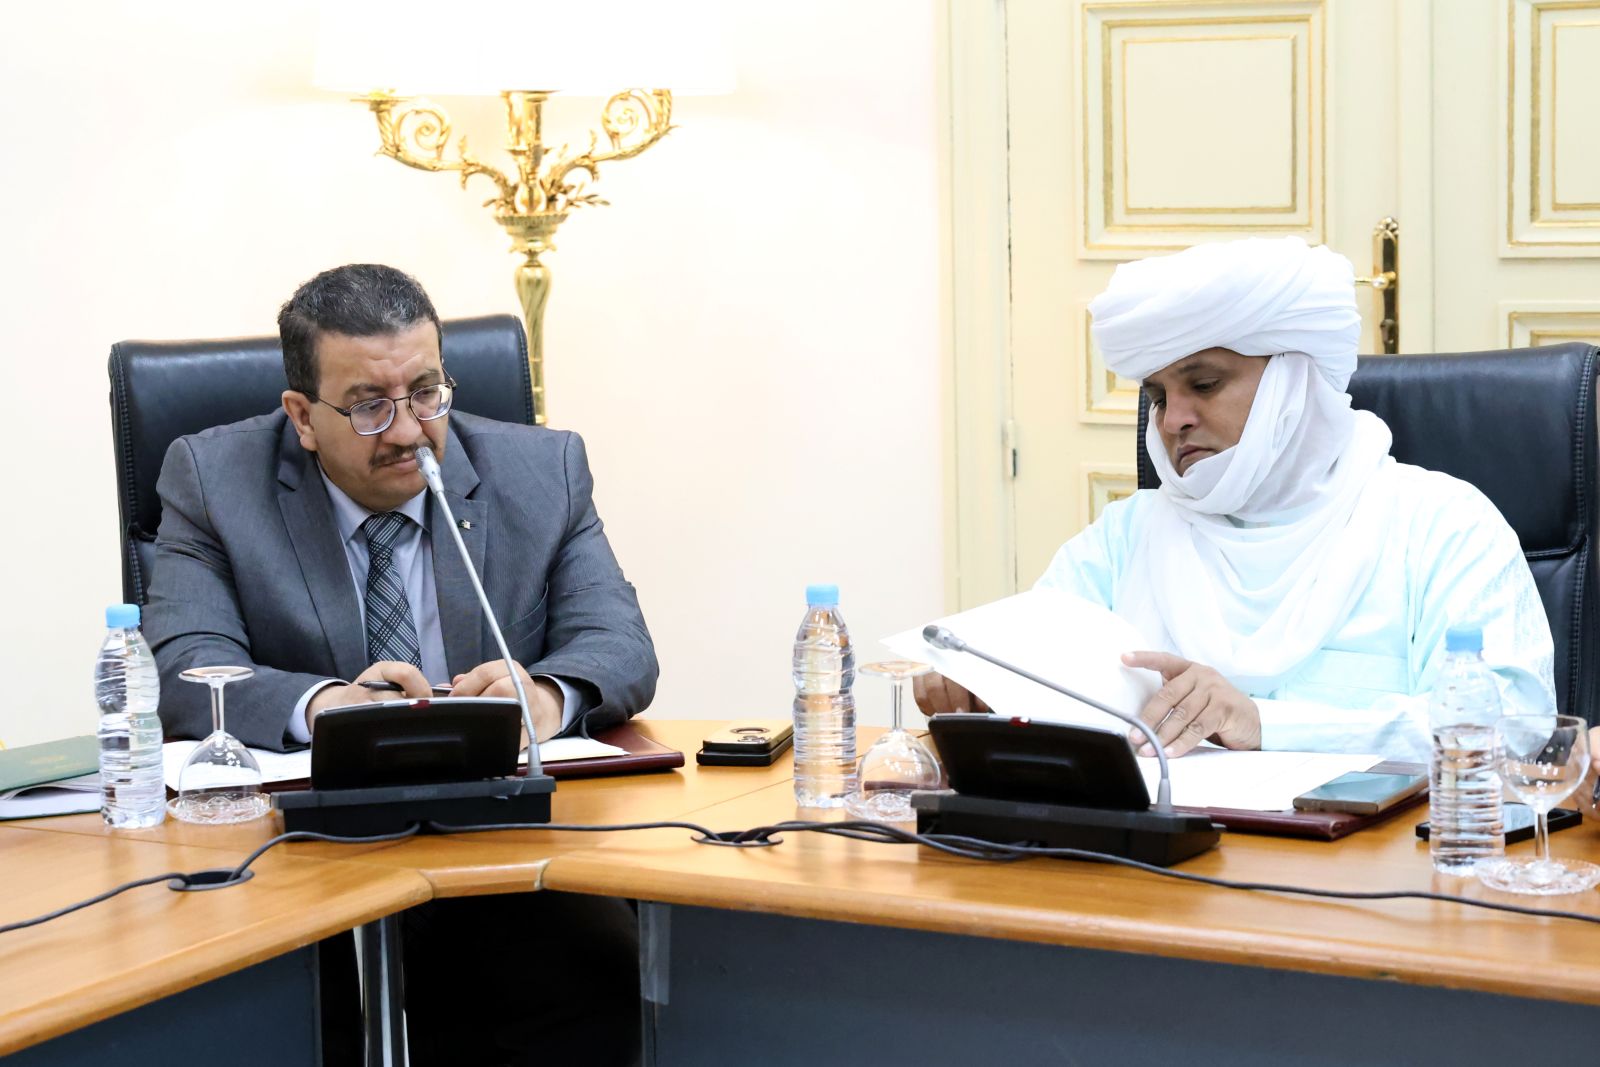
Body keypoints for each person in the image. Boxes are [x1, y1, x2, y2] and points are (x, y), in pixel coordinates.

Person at [143, 263, 654, 1065]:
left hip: (492, 843)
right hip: (303, 858)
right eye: (370, 406)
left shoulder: (543, 470)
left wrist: (547, 695)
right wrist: (321, 707)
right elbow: (183, 663)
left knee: (600, 968)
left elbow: (619, 645)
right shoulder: (215, 480)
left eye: (426, 392)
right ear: (302, 417)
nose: (410, 430)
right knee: (251, 1007)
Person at [916, 236, 1558, 767]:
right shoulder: (1126, 535)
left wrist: (1264, 723)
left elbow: (1513, 727)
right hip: (1152, 861)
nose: (1172, 420)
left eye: (1203, 384)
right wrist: (982, 688)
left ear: (1292, 383)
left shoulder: (1442, 523)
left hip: (1370, 867)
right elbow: (1037, 676)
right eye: (1159, 395)